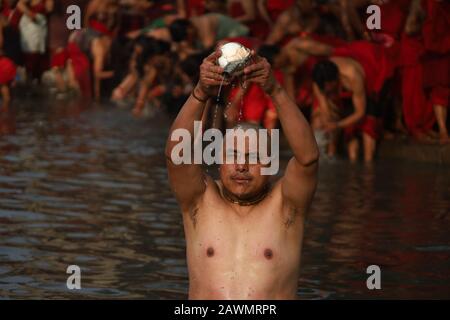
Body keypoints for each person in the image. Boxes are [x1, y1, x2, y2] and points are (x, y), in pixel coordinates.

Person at [165, 50, 319, 299]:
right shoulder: (200, 200)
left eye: (253, 157)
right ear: (217, 162)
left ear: (271, 164)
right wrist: (201, 93)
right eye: (233, 155)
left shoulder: (287, 206)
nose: (241, 166)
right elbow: (176, 155)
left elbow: (308, 157)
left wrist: (276, 91)